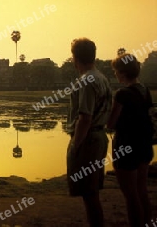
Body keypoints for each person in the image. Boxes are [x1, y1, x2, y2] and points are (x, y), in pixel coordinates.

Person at [66, 38, 112, 227]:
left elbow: (84, 117)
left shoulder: (86, 81)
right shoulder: (101, 77)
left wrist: (75, 145)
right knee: (92, 190)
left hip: (88, 139)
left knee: (88, 193)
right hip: (99, 136)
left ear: (75, 58)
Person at [107, 54, 153, 227]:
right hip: (144, 145)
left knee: (130, 195)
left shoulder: (122, 94)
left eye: (116, 71)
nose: (115, 74)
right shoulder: (144, 90)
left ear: (122, 72)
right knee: (142, 192)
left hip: (126, 146)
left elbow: (111, 123)